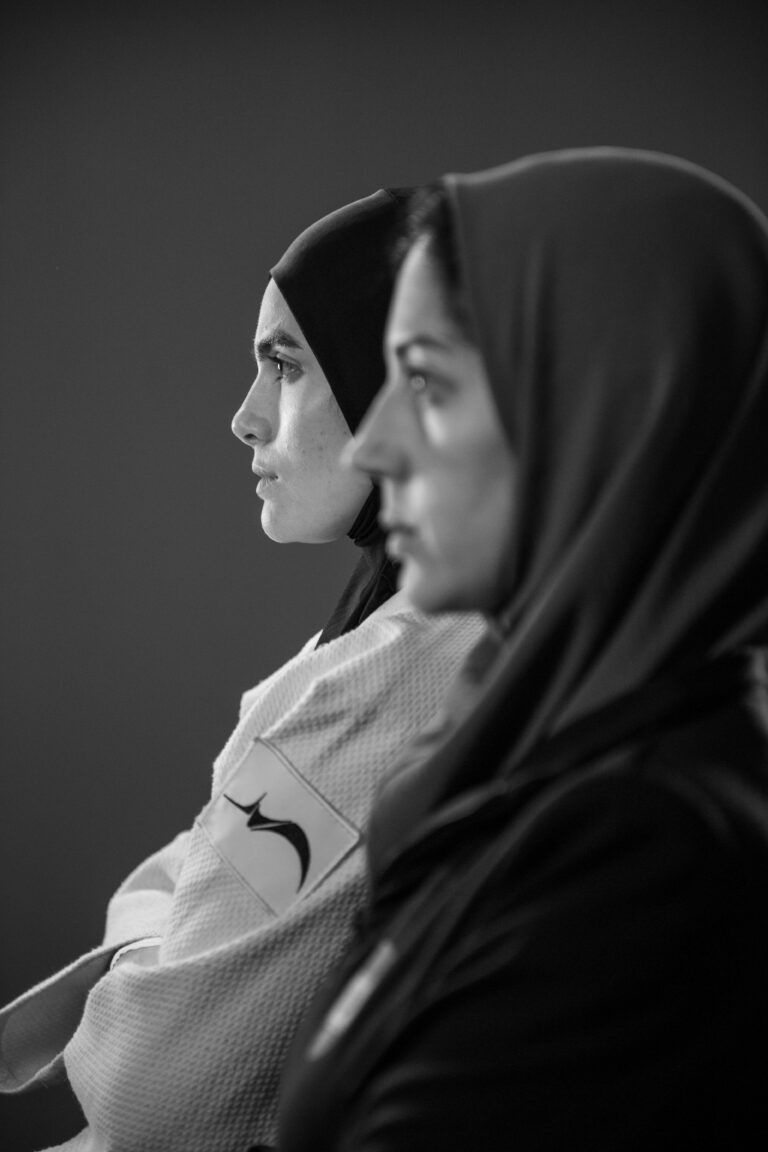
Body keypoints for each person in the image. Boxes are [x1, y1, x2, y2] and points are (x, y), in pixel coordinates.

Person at [276, 149, 768, 1151]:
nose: (372, 445)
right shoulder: (518, 750)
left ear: (609, 408)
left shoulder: (642, 859)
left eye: (425, 380)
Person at [0, 190, 484, 1151]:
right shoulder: (404, 618)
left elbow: (151, 1093)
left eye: (287, 365)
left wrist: (147, 948)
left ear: (400, 380)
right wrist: (176, 932)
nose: (245, 418)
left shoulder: (403, 673)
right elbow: (191, 863)